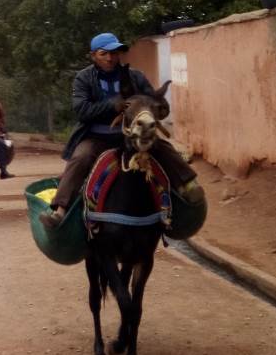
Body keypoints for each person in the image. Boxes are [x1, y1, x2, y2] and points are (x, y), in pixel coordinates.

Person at [41, 33, 200, 228]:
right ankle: (60, 210)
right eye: (104, 54)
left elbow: (152, 100)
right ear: (93, 55)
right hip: (97, 136)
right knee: (80, 158)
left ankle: (187, 188)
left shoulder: (135, 76)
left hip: (130, 134)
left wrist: (159, 105)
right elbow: (82, 111)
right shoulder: (83, 78)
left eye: (114, 53)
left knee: (163, 148)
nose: (110, 58)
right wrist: (112, 106)